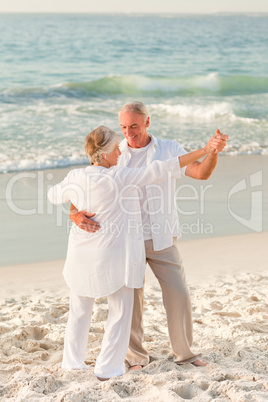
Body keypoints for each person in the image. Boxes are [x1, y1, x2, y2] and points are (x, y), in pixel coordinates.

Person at [48, 125, 217, 380]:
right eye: (116, 148)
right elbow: (161, 169)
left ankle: (72, 363)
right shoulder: (118, 177)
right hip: (114, 258)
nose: (120, 151)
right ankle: (108, 368)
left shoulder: (75, 176)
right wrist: (205, 149)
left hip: (80, 256)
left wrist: (76, 209)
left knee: (80, 310)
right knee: (120, 312)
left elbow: (53, 194)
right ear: (104, 154)